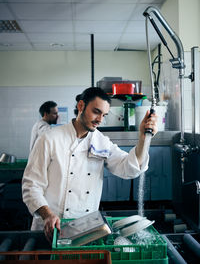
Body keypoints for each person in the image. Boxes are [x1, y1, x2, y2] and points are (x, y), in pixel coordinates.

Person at [22, 87, 158, 243]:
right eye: (96, 112)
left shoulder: (100, 141)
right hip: (49, 228)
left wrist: (143, 139)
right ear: (81, 106)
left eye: (104, 115)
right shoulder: (49, 139)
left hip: (85, 230)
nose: (100, 119)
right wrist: (47, 215)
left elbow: (129, 168)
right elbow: (31, 185)